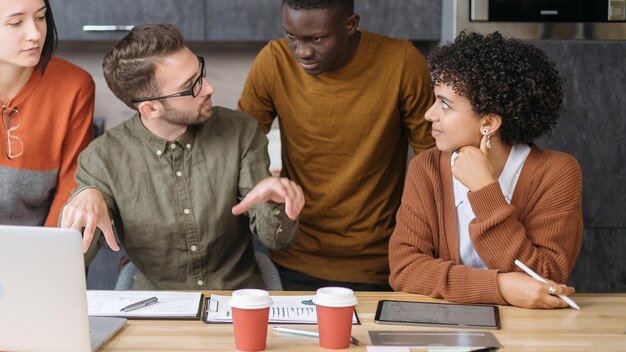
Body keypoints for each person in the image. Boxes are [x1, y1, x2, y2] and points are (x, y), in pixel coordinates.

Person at [60, 24, 304, 290]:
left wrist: (276, 201)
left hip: (235, 303)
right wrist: (82, 202)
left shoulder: (241, 132)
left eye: (201, 74)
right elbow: (73, 259)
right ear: (151, 108)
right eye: (192, 86)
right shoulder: (102, 158)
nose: (209, 88)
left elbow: (277, 240)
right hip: (155, 310)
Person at [238, 0, 435, 291]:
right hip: (294, 257)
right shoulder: (274, 60)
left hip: (380, 263)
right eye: (291, 36)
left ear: (350, 25)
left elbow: (434, 160)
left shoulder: (402, 62)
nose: (302, 51)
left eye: (316, 39)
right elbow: (240, 146)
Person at [388, 31, 583, 309]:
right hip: (447, 331)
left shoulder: (557, 172)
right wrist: (499, 287)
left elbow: (546, 278)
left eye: (445, 104)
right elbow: (405, 269)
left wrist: (484, 190)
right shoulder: (426, 168)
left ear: (489, 123)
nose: (429, 115)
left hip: (531, 334)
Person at [0, 0, 94, 226]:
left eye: (41, 18)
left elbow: (71, 188)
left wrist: (49, 254)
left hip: (40, 247)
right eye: (16, 23)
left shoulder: (74, 87)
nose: (35, 34)